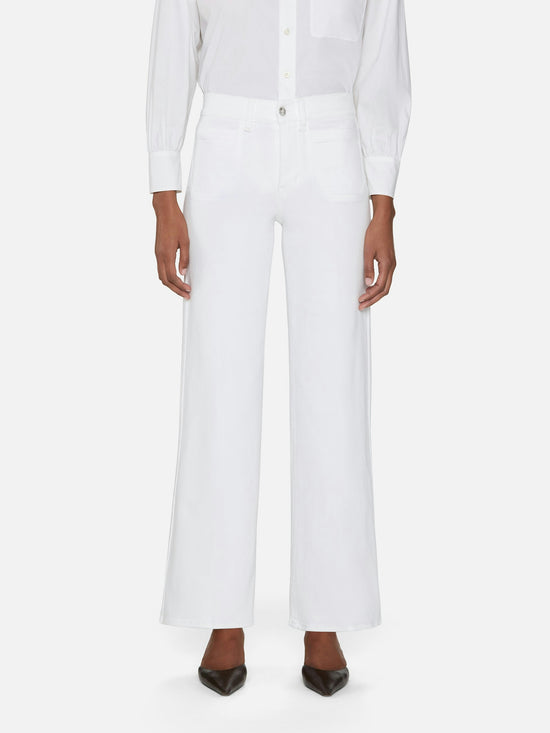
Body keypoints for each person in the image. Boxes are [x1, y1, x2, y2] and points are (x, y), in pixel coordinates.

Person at [146, 0, 411, 697]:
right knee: (218, 383)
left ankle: (327, 615)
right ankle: (220, 613)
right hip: (227, 144)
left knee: (334, 389)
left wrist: (384, 200)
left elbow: (382, 55)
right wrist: (164, 190)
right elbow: (174, 39)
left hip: (331, 145)